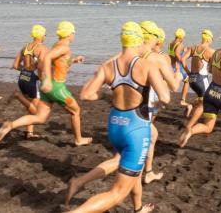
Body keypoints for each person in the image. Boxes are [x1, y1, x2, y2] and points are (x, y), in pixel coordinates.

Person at [64, 22, 178, 205]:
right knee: (117, 192)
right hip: (138, 125)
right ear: (147, 38)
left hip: (116, 122)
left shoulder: (114, 61)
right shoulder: (153, 62)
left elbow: (87, 92)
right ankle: (146, 175)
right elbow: (169, 92)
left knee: (125, 161)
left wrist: (108, 96)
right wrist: (157, 101)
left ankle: (138, 205)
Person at [0, 21, 91, 146]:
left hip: (47, 87)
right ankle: (79, 139)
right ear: (69, 34)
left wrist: (74, 60)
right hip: (56, 87)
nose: (74, 35)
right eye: (73, 33)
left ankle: (11, 125)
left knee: (40, 117)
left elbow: (59, 64)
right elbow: (46, 59)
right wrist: (46, 81)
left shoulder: (57, 44)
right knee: (75, 111)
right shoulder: (64, 47)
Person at [178, 28, 221, 156]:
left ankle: (190, 131)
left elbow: (210, 70)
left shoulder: (216, 53)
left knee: (208, 127)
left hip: (210, 91)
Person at [11, 24, 48, 139]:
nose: (45, 36)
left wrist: (26, 70)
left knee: (30, 106)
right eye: (45, 34)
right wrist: (43, 80)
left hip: (23, 78)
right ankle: (18, 97)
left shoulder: (25, 47)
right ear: (41, 35)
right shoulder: (42, 48)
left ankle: (29, 133)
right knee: (38, 113)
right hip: (33, 80)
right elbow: (42, 68)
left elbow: (15, 65)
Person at [180, 29, 215, 136]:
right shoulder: (210, 51)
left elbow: (182, 60)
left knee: (201, 101)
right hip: (201, 79)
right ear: (209, 39)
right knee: (206, 102)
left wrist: (188, 72)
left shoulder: (193, 47)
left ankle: (191, 110)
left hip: (192, 79)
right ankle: (190, 126)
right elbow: (212, 69)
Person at [168, 28, 192, 116]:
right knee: (187, 80)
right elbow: (178, 55)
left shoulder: (171, 43)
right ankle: (183, 100)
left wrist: (184, 50)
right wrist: (184, 66)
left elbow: (173, 53)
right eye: (183, 37)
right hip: (177, 67)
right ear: (181, 37)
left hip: (171, 66)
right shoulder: (180, 44)